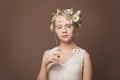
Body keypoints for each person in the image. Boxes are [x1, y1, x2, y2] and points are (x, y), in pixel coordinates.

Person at [37, 8, 92, 80]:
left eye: (68, 26)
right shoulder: (48, 54)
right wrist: (44, 65)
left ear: (74, 29)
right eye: (59, 27)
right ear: (55, 30)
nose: (64, 30)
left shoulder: (84, 56)